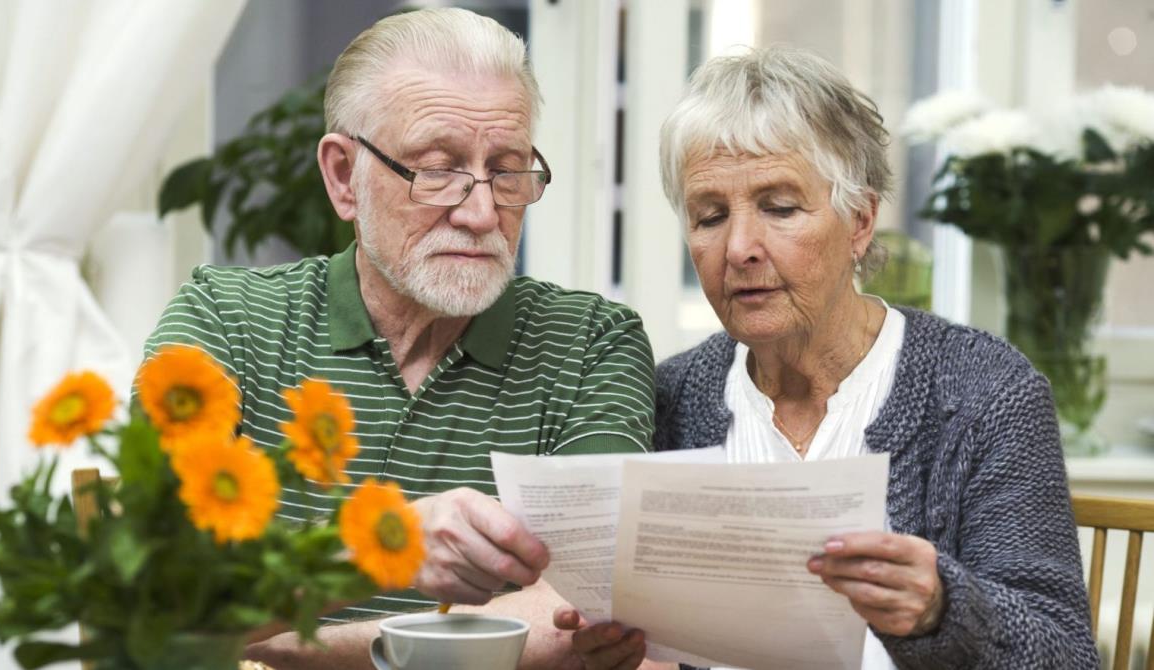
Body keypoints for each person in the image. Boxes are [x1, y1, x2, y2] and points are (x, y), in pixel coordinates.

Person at [142, 8, 655, 668]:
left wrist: (277, 642)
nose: (479, 213)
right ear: (341, 177)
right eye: (437, 169)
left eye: (506, 169)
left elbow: (579, 624)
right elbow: (154, 599)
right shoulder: (224, 322)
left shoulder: (590, 343)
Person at [554, 47, 1098, 669]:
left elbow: (1065, 655)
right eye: (709, 216)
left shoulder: (984, 393)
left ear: (860, 221)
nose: (739, 248)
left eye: (780, 208)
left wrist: (942, 610)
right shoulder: (666, 398)